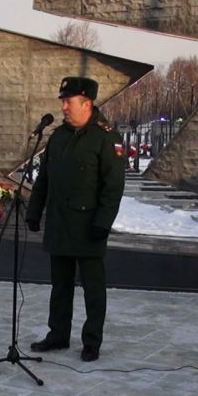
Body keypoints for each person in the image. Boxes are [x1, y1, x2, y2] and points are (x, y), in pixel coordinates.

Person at [25, 77, 125, 362]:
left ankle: (92, 341)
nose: (64, 107)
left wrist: (103, 222)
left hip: (88, 226)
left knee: (93, 289)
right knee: (60, 285)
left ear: (86, 103)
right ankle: (58, 334)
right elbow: (44, 179)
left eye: (68, 101)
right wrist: (34, 211)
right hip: (59, 223)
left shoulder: (105, 138)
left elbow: (113, 186)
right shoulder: (58, 136)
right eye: (63, 101)